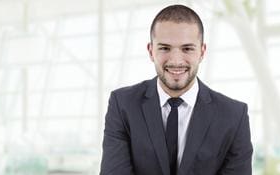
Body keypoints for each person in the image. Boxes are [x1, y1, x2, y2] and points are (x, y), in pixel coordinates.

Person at [100, 4, 253, 175]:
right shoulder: (123, 105)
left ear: (202, 52)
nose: (176, 60)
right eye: (164, 48)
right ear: (151, 51)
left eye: (187, 48)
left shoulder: (233, 115)